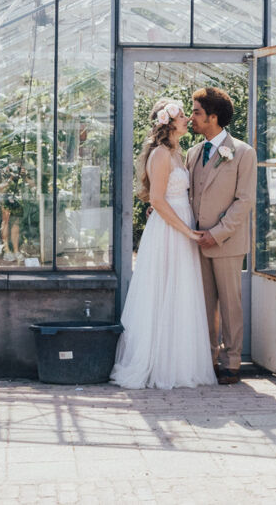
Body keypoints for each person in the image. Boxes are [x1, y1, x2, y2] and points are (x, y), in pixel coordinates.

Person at [110, 98, 216, 389]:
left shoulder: (177, 153)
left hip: (179, 225)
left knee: (180, 292)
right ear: (168, 123)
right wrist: (187, 230)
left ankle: (178, 362)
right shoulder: (160, 154)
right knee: (162, 292)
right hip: (170, 230)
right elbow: (157, 199)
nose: (187, 120)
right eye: (182, 116)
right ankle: (157, 364)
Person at [187, 87, 256, 385]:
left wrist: (217, 233)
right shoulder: (192, 152)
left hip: (226, 242)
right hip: (194, 241)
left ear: (213, 117)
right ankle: (209, 359)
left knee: (230, 305)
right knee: (203, 304)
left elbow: (244, 201)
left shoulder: (242, 153)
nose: (191, 117)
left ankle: (232, 362)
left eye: (197, 112)